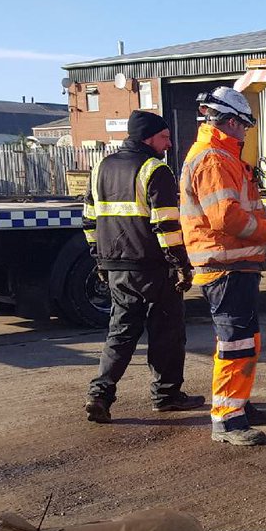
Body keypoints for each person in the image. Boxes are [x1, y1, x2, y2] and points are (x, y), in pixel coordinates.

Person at [180, 87, 266, 446]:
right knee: (235, 343)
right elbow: (226, 218)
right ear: (231, 122)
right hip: (225, 263)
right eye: (244, 125)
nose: (245, 132)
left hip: (233, 263)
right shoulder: (215, 159)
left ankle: (239, 406)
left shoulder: (220, 155)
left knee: (245, 340)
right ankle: (228, 421)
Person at [83, 111, 203, 423]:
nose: (169, 144)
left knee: (121, 332)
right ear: (148, 138)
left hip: (116, 267)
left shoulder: (101, 167)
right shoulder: (155, 169)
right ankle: (166, 396)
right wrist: (181, 265)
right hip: (153, 267)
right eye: (165, 137)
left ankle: (100, 394)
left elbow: (89, 220)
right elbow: (167, 225)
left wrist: (99, 258)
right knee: (167, 331)